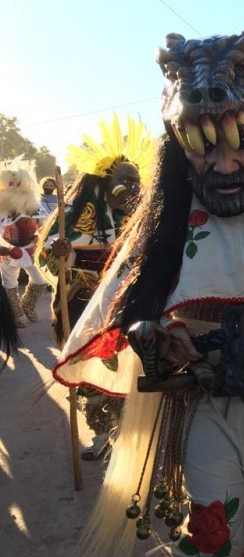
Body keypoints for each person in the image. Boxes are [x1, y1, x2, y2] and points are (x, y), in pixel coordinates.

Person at [51, 31, 244, 557]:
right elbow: (129, 310)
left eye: (242, 143)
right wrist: (153, 337)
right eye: (204, 147)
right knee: (211, 535)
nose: (222, 164)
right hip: (202, 406)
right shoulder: (170, 212)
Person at [37, 114, 155, 460]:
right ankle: (103, 433)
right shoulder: (77, 216)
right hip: (87, 307)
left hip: (129, 306)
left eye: (136, 180)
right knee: (93, 373)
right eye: (125, 180)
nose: (133, 188)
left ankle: (130, 433)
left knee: (134, 372)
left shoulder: (143, 216)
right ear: (104, 183)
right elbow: (49, 256)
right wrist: (63, 254)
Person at [0, 158, 49, 327]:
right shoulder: (2, 208)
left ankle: (27, 305)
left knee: (40, 280)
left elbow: (45, 225)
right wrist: (3, 250)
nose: (14, 187)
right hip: (7, 250)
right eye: (10, 183)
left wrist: (40, 238)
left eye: (17, 183)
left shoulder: (34, 205)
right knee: (10, 283)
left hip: (30, 249)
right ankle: (16, 313)